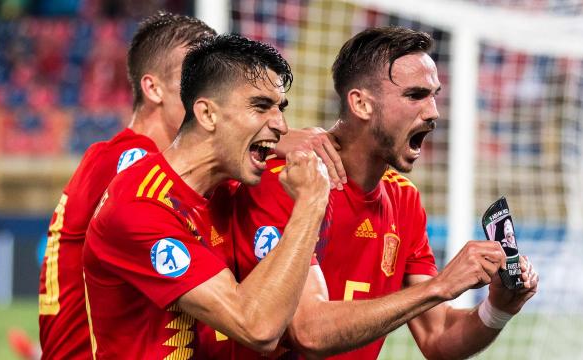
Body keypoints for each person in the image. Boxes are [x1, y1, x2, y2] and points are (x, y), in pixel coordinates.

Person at [216, 26, 538, 359]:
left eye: (434, 95)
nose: (433, 113)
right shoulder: (286, 181)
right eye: (415, 96)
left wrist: (497, 309)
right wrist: (440, 286)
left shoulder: (404, 199)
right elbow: (309, 332)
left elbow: (437, 336)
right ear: (361, 104)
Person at [83, 34, 331, 359]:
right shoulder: (139, 205)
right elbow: (257, 328)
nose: (282, 125)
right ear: (208, 114)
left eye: (280, 108)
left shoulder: (227, 192)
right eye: (261, 106)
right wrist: (310, 204)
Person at [37, 12, 218, 359]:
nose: (208, 95)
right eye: (194, 78)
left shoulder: (113, 158)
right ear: (153, 88)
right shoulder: (133, 161)